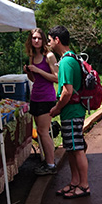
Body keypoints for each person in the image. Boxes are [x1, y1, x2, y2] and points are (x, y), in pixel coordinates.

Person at [48, 26, 91, 199]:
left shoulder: (65, 62)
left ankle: (84, 185)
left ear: (57, 40)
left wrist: (56, 108)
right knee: (72, 148)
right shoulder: (73, 57)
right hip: (74, 110)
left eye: (50, 40)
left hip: (71, 111)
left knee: (77, 148)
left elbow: (67, 91)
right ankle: (75, 182)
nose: (48, 43)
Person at [23, 28, 59, 176]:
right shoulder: (32, 56)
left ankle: (51, 165)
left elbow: (57, 78)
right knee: (39, 131)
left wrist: (39, 71)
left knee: (44, 132)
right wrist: (29, 72)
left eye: (38, 38)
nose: (36, 41)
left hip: (47, 98)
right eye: (33, 38)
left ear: (43, 39)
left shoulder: (49, 56)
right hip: (35, 97)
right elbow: (34, 80)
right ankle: (47, 161)